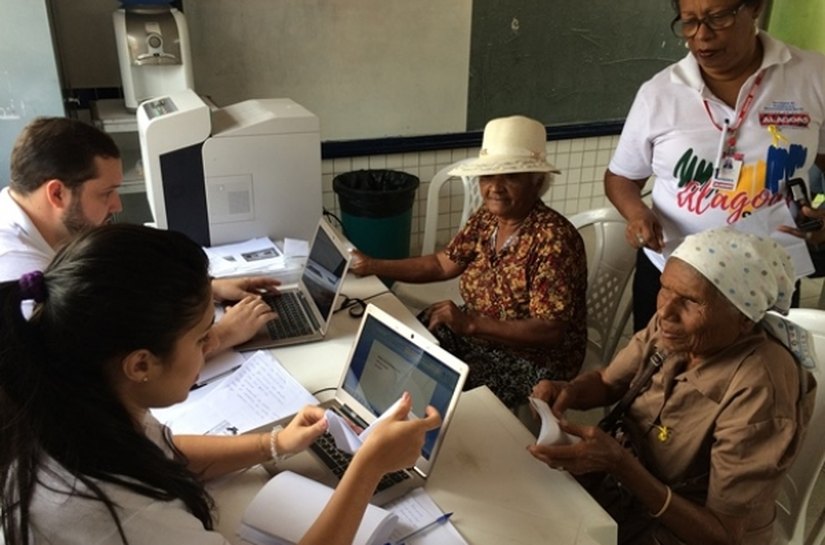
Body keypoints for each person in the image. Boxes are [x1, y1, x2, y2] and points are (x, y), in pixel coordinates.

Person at [0, 223, 441, 545]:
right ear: (140, 364)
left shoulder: (76, 402)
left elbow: (167, 453)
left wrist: (275, 443)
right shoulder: (118, 513)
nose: (213, 343)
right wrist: (368, 468)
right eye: (200, 337)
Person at [529, 228, 816, 545]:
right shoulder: (672, 329)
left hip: (685, 529)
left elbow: (723, 535)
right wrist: (568, 392)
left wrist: (621, 466)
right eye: (664, 289)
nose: (664, 312)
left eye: (691, 301)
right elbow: (607, 382)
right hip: (627, 495)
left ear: (744, 318)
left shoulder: (759, 388)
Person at [604, 0, 825, 332]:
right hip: (673, 272)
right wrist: (636, 213)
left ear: (754, 8)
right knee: (660, 376)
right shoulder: (659, 94)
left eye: (718, 18)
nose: (701, 36)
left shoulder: (811, 76)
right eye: (689, 22)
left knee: (760, 376)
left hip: (767, 274)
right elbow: (621, 176)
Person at [349, 115, 587, 409]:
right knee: (405, 345)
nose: (495, 188)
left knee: (441, 390)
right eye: (488, 177)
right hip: (477, 331)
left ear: (537, 182)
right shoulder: (488, 218)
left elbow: (550, 330)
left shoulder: (553, 239)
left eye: (510, 177)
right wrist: (373, 265)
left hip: (532, 358)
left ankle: (432, 440)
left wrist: (472, 324)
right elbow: (442, 264)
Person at [0, 116, 280, 354]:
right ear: (57, 193)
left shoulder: (34, 222)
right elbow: (114, 362)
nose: (117, 205)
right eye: (106, 193)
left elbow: (108, 290)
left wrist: (205, 289)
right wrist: (223, 335)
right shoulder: (15, 270)